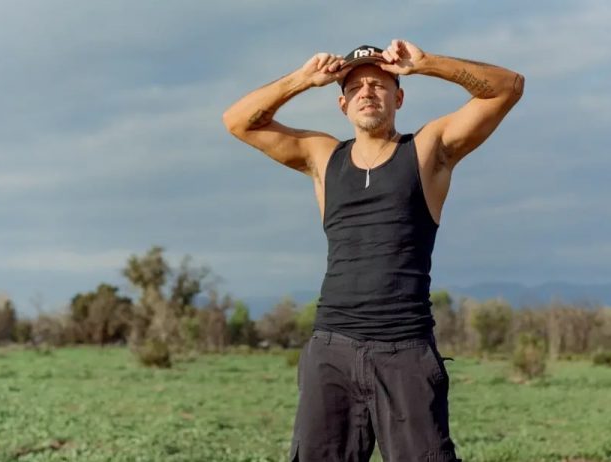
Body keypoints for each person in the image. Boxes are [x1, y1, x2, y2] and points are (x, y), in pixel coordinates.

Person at [223, 39, 524, 462]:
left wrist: (428, 63)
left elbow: (508, 88)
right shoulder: (322, 156)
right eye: (356, 86)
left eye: (379, 84)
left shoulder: (426, 151)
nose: (367, 91)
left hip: (405, 351)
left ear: (398, 97)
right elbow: (238, 121)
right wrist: (301, 79)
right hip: (332, 351)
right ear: (342, 104)